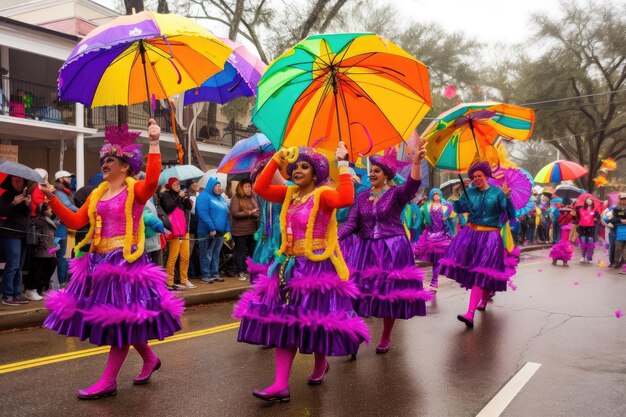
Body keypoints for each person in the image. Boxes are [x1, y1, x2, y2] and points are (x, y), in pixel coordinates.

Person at [39, 121, 184, 399]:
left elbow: (153, 180)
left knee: (120, 320)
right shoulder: (97, 193)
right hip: (99, 263)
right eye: (103, 159)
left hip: (125, 265)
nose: (104, 164)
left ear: (125, 165)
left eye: (110, 159)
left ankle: (108, 380)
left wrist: (154, 142)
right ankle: (150, 359)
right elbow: (75, 221)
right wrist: (52, 200)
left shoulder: (135, 191)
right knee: (123, 320)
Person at [234, 144, 370, 402]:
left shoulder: (323, 195)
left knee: (315, 321)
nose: (297, 170)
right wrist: (276, 159)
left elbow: (346, 199)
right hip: (289, 266)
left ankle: (320, 364)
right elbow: (261, 188)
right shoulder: (289, 194)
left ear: (316, 173)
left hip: (317, 267)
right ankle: (280, 385)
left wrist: (342, 163)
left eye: (304, 167)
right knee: (287, 323)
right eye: (295, 167)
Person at [339, 145, 431, 354]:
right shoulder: (362, 196)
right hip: (366, 250)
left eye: (376, 171)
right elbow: (351, 222)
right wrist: (333, 238)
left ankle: (386, 336)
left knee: (389, 295)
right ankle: (356, 334)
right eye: (371, 170)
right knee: (358, 294)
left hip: (392, 249)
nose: (371, 173)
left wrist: (416, 163)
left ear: (387, 175)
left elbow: (412, 185)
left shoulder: (396, 193)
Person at [439, 160, 516, 328]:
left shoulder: (497, 192)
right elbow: (459, 209)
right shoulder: (471, 192)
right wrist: (456, 192)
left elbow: (510, 213)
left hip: (490, 237)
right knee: (477, 271)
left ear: (486, 176)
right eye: (474, 177)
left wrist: (507, 197)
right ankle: (484, 297)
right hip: (470, 235)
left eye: (479, 176)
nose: (476, 179)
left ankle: (470, 314)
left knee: (481, 272)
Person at [0, 174, 31, 306]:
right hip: (10, 234)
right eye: (16, 181)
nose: (19, 184)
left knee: (18, 266)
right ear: (10, 182)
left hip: (24, 234)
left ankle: (17, 294)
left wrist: (27, 204)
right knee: (12, 265)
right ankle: (7, 295)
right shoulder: (7, 195)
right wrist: (13, 203)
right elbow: (2, 212)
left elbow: (26, 214)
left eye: (21, 181)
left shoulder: (25, 195)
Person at [160, 177, 195, 289]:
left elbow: (189, 207)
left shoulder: (181, 194)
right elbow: (168, 208)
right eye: (175, 184)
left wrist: (185, 198)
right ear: (170, 186)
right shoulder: (165, 195)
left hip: (183, 229)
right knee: (173, 256)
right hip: (173, 229)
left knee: (185, 256)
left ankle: (184, 280)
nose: (177, 186)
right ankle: (170, 281)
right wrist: (177, 198)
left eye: (178, 184)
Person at [414, 188, 452, 290]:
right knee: (434, 260)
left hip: (442, 237)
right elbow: (418, 212)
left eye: (438, 195)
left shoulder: (445, 207)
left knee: (439, 260)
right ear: (432, 196)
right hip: (430, 237)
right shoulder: (427, 206)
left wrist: (447, 217)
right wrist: (419, 202)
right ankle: (434, 280)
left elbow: (451, 217)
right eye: (434, 195)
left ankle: (434, 280)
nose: (436, 197)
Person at [196, 177, 230, 283]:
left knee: (216, 253)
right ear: (211, 186)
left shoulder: (221, 199)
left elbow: (227, 215)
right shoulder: (203, 197)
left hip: (220, 232)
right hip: (207, 231)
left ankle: (215, 273)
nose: (219, 188)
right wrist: (212, 227)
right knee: (206, 253)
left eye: (220, 186)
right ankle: (205, 274)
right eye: (217, 186)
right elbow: (202, 213)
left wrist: (228, 230)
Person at [24, 203, 57, 299]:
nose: (51, 209)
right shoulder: (38, 221)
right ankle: (31, 289)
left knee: (50, 266)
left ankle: (41, 288)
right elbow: (36, 236)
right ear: (43, 210)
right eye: (49, 208)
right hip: (41, 251)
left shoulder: (50, 220)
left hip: (50, 250)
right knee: (37, 270)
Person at [230, 179, 260, 280]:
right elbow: (235, 213)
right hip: (240, 231)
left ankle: (251, 270)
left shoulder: (253, 197)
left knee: (253, 251)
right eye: (246, 187)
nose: (248, 189)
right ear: (241, 188)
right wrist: (250, 212)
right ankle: (240, 271)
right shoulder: (236, 198)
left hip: (252, 229)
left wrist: (256, 214)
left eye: (249, 187)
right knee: (239, 251)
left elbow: (257, 209)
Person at [53, 170, 77, 287]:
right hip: (62, 227)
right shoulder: (58, 192)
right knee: (63, 258)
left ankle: (67, 284)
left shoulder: (66, 192)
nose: (70, 179)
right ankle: (62, 284)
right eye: (67, 178)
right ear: (60, 179)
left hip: (69, 226)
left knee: (69, 257)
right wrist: (82, 212)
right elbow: (68, 206)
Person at [577, 195, 600, 263]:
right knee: (583, 242)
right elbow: (577, 218)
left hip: (591, 228)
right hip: (582, 228)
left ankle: (589, 257)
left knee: (590, 242)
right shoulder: (580, 209)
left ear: (592, 201)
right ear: (585, 201)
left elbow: (598, 218)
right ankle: (583, 256)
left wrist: (596, 218)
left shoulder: (595, 210)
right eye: (588, 199)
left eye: (590, 199)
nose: (589, 200)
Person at [610, 194, 626, 272]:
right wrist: (621, 221)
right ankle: (616, 263)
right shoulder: (616, 208)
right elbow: (613, 219)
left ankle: (624, 265)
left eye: (625, 199)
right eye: (622, 199)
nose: (623, 200)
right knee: (618, 248)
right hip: (618, 231)